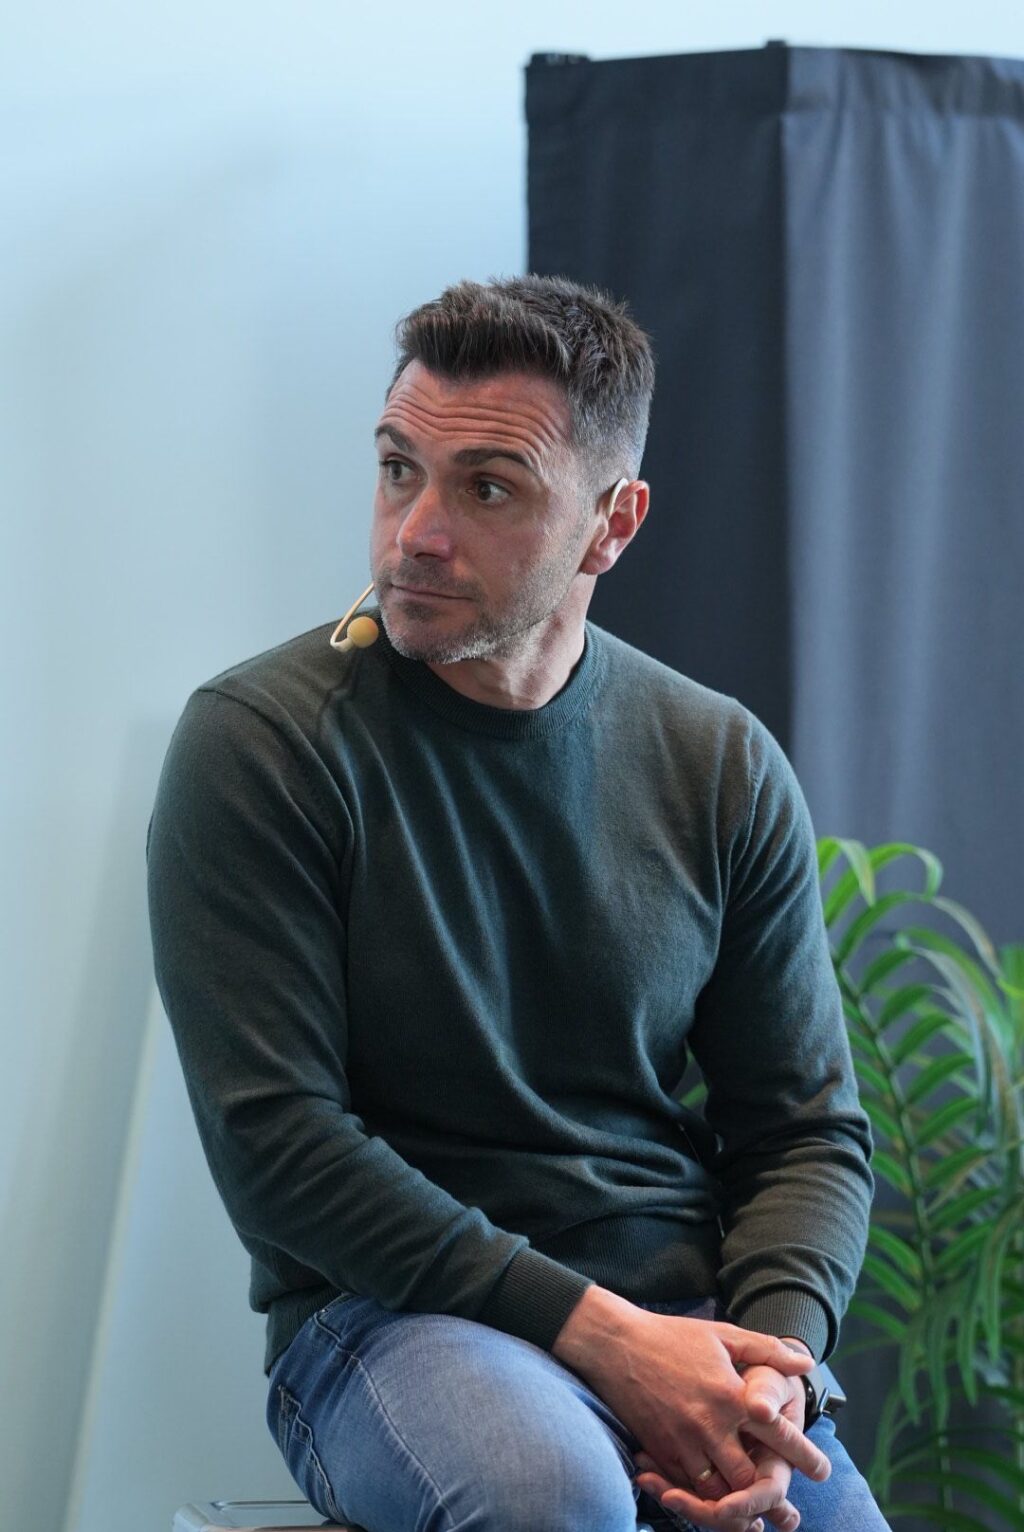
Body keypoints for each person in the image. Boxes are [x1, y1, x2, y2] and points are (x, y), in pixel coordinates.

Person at [146, 274, 888, 1532]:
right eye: (398, 469)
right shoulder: (259, 743)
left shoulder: (718, 760)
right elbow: (279, 1146)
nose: (414, 532)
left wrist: (776, 1369)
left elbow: (802, 1129)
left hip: (686, 1319)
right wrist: (606, 1337)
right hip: (391, 1320)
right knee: (553, 1495)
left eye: (486, 488)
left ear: (611, 523)